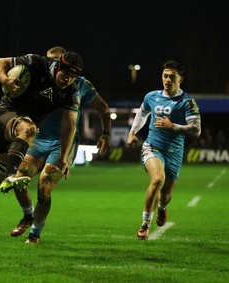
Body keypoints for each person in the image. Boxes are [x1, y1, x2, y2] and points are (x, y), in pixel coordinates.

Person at [10, 46, 111, 244]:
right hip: (38, 140)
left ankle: (35, 234)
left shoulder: (80, 85)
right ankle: (28, 214)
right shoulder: (37, 79)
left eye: (55, 62)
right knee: (18, 178)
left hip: (62, 143)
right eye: (49, 62)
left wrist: (106, 133)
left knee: (44, 185)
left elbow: (103, 109)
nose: (51, 66)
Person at [0, 51, 84, 194]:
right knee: (29, 129)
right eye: (65, 74)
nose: (67, 80)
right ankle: (10, 176)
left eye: (72, 77)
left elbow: (70, 125)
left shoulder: (72, 92)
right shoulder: (36, 63)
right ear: (58, 66)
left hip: (18, 133)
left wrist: (63, 158)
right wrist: (4, 80)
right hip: (5, 114)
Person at [126, 60, 201, 240]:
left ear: (180, 79)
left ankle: (162, 208)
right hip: (153, 147)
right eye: (165, 76)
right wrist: (132, 132)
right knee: (158, 179)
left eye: (172, 77)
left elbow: (196, 129)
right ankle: (145, 224)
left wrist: (172, 126)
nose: (167, 80)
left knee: (166, 195)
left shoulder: (187, 102)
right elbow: (142, 113)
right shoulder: (152, 96)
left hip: (175, 152)